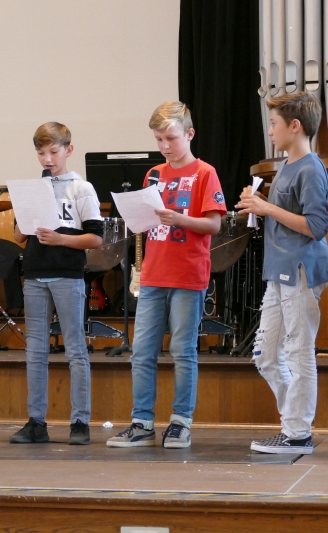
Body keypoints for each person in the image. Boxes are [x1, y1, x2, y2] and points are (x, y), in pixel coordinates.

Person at [106, 102, 225, 449]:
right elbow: (147, 223)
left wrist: (179, 219)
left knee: (182, 351)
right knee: (142, 351)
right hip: (154, 274)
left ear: (189, 134)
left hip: (188, 274)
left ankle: (181, 422)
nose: (164, 146)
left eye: (171, 138)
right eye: (159, 139)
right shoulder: (154, 174)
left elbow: (214, 224)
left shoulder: (205, 173)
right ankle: (142, 422)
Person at [236, 92, 328, 454]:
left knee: (298, 351)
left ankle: (297, 433)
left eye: (274, 123)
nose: (270, 131)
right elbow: (285, 214)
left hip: (300, 269)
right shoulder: (287, 166)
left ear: (295, 126)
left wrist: (268, 209)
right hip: (279, 271)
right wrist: (261, 205)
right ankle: (293, 424)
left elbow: (316, 226)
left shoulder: (310, 167)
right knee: (266, 355)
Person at [9, 122, 103, 446]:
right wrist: (25, 207)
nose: (47, 159)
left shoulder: (81, 188)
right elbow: (19, 236)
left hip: (67, 274)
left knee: (75, 349)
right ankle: (36, 422)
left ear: (68, 150)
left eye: (53, 152)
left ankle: (80, 422)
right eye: (41, 153)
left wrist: (61, 238)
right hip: (35, 274)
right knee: (35, 350)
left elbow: (96, 238)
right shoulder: (35, 187)